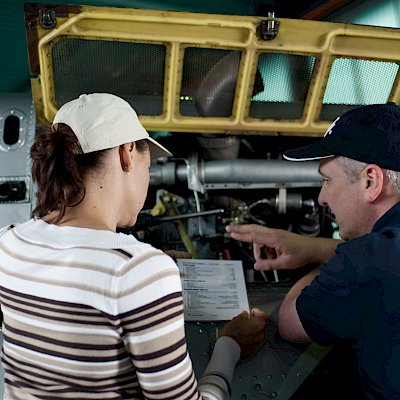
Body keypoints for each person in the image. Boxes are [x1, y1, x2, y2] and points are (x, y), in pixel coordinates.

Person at [0, 93, 267, 400]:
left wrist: (146, 273)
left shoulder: (8, 242)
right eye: (147, 164)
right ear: (127, 153)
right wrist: (230, 346)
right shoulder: (137, 271)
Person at [226, 102, 400, 399]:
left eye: (327, 180)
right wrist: (317, 247)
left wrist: (324, 256)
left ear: (371, 181)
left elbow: (291, 321)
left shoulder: (364, 264)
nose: (321, 197)